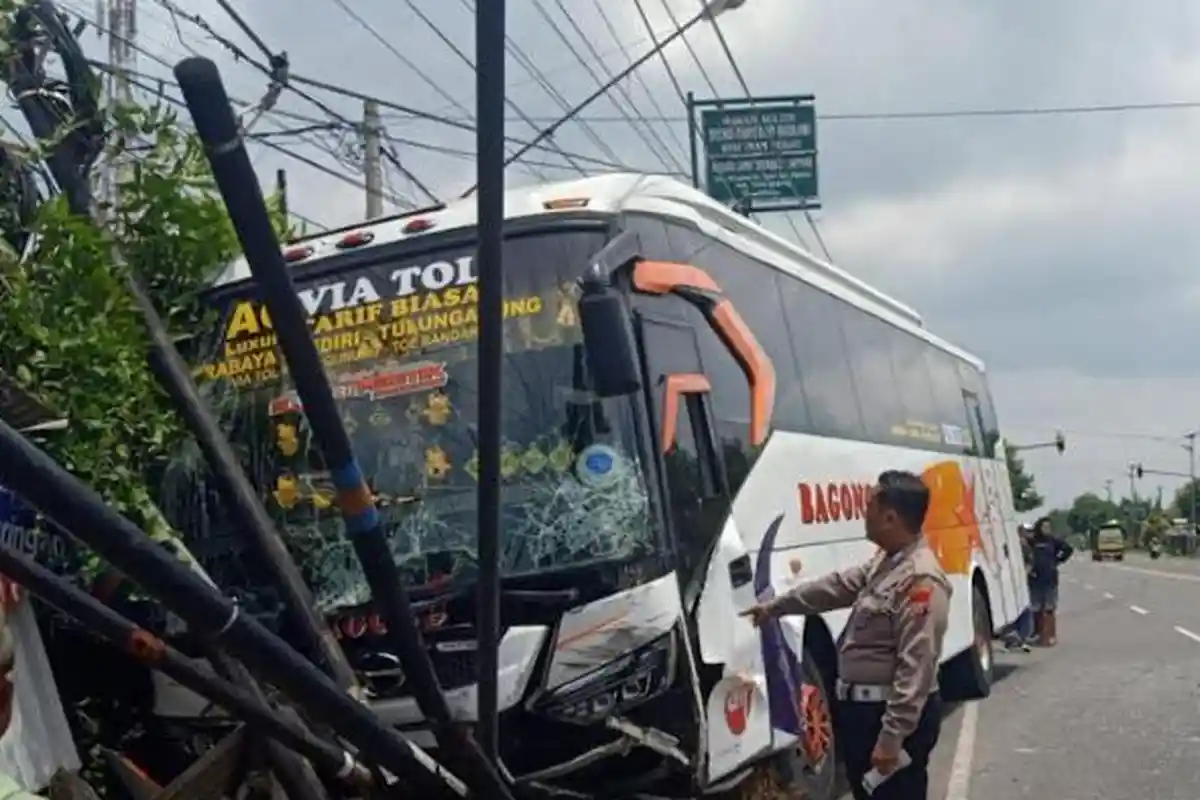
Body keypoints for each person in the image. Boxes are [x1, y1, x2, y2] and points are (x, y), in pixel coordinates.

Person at [742, 470, 950, 800]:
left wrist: (892, 737)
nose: (862, 513)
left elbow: (917, 669)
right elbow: (836, 587)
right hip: (864, 715)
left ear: (890, 516)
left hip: (888, 718)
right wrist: (777, 607)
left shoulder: (920, 580)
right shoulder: (888, 563)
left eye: (869, 505)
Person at [1028, 516, 1073, 646]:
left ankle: (1050, 636)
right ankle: (1038, 634)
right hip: (1035, 579)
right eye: (1044, 526)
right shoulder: (1033, 541)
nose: (1047, 529)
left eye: (1049, 527)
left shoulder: (1053, 541)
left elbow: (1068, 549)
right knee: (1036, 608)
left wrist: (1057, 560)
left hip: (1050, 579)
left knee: (1049, 608)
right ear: (1039, 527)